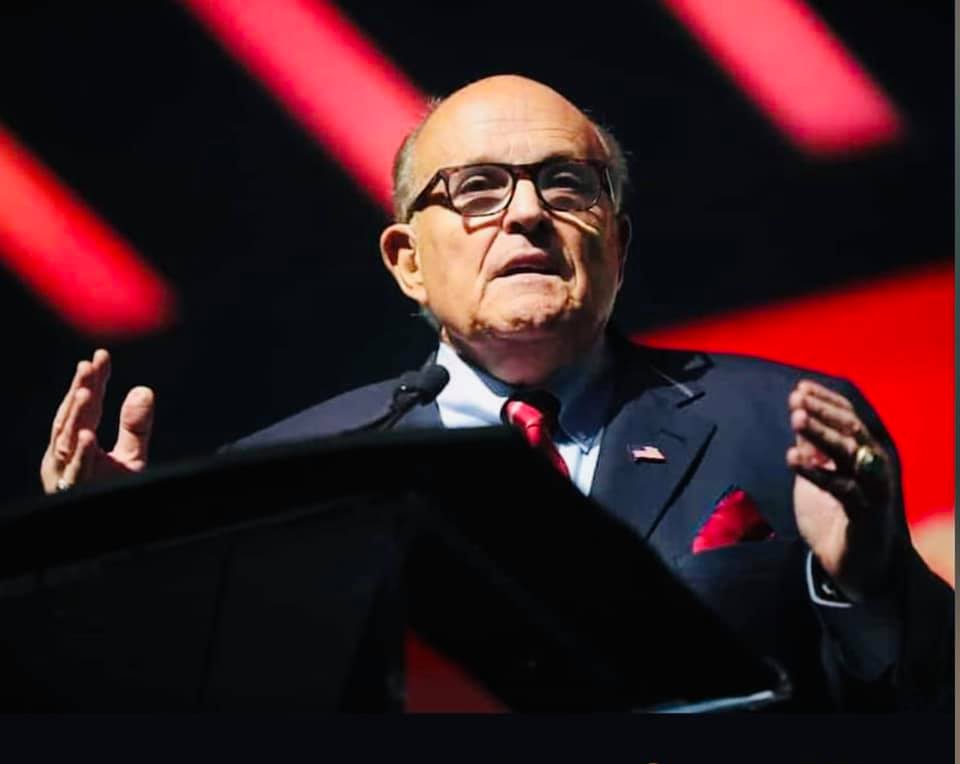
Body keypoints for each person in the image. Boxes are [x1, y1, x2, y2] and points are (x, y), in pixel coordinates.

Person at [39, 75, 952, 710]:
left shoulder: (785, 425)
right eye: (476, 190)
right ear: (407, 261)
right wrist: (123, 577)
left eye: (565, 183)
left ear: (617, 244)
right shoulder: (285, 477)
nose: (525, 213)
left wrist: (864, 581)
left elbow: (923, 702)